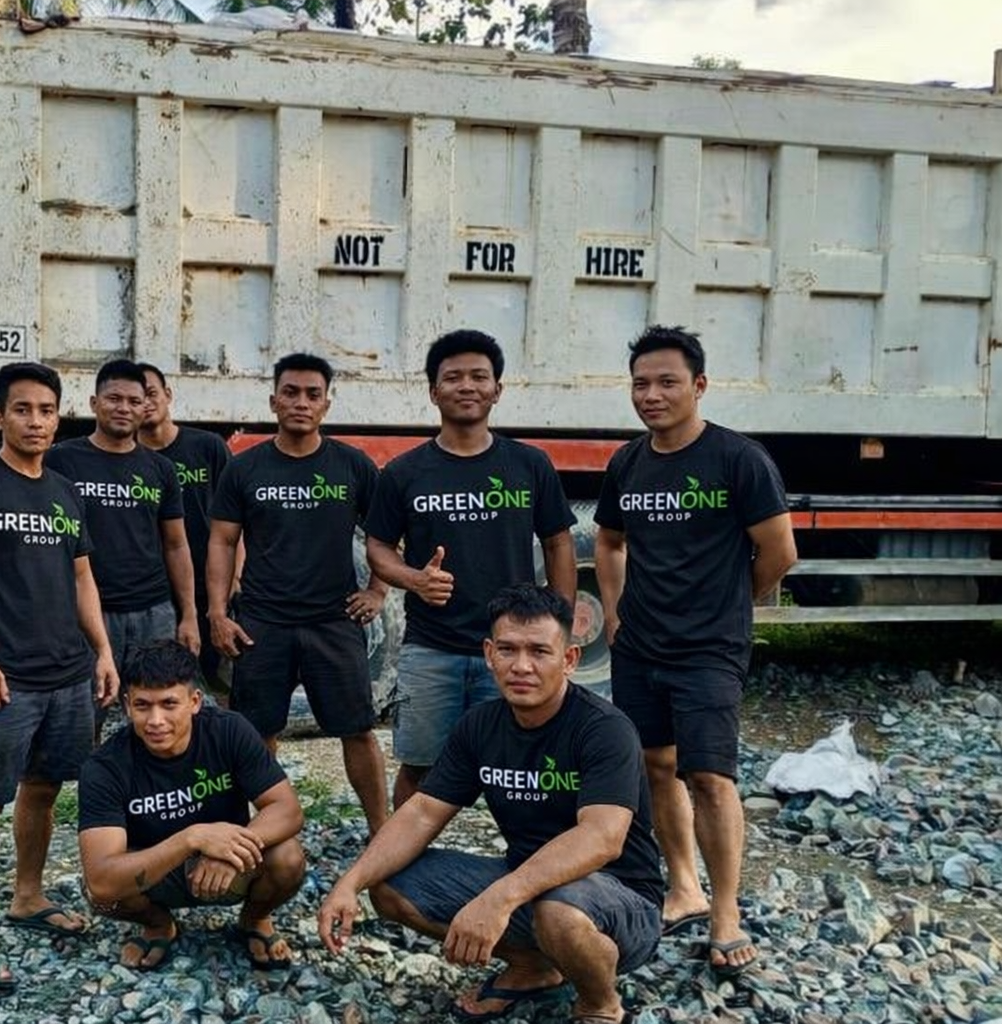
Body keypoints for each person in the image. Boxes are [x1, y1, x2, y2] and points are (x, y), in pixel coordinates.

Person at [318, 585, 663, 1024]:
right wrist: (350, 881)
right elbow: (422, 813)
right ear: (488, 654)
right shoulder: (479, 725)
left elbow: (602, 838)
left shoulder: (604, 729)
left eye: (539, 651)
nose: (521, 666)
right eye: (508, 649)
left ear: (570, 660)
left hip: (620, 901)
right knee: (388, 884)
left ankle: (600, 1005)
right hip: (530, 886)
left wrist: (499, 898)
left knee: (558, 911)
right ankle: (534, 966)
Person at [594, 326, 796, 979]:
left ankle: (726, 912)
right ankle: (683, 885)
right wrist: (615, 611)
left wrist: (731, 604)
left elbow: (780, 551)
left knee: (710, 776)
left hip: (709, 647)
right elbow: (609, 542)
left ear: (699, 386)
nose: (651, 395)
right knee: (655, 764)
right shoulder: (628, 463)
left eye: (667, 382)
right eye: (640, 384)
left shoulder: (739, 460)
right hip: (640, 644)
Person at [0, 361, 120, 990]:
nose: (36, 421)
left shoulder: (64, 490)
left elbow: (82, 578)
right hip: (5, 676)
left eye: (46, 410)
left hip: (68, 674)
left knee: (43, 789)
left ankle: (28, 896)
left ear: (58, 418)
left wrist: (102, 652)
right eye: (22, 410)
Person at [366, 329, 577, 809]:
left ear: (497, 390)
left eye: (479, 377)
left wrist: (558, 621)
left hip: (512, 650)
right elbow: (378, 546)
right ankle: (404, 857)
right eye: (454, 377)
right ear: (433, 391)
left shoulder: (529, 465)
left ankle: (530, 854)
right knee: (420, 770)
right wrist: (413, 579)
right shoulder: (404, 472)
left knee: (523, 768)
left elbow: (558, 541)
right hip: (431, 649)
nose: (467, 386)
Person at [207, 352, 391, 836]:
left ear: (327, 404)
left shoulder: (352, 465)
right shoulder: (244, 469)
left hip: (334, 621)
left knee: (358, 730)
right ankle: (260, 832)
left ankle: (382, 832)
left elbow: (385, 533)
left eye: (313, 394)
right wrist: (217, 613)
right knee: (256, 733)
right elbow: (222, 541)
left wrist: (377, 590)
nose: (301, 403)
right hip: (262, 623)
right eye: (290, 392)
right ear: (273, 401)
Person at [78, 640, 306, 971]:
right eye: (142, 705)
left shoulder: (229, 730)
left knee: (288, 857)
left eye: (169, 704)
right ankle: (158, 925)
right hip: (154, 870)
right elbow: (101, 880)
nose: (155, 720)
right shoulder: (105, 767)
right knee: (102, 895)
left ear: (195, 701)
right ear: (127, 706)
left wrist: (229, 850)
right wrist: (191, 839)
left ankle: (255, 919)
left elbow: (287, 809)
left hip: (228, 866)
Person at [46, 360, 199, 678]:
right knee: (92, 704)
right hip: (86, 611)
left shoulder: (161, 469)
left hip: (154, 611)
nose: (124, 408)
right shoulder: (60, 460)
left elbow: (176, 544)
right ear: (94, 403)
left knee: (155, 701)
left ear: (145, 407)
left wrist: (189, 615)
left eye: (134, 401)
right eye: (114, 399)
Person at [137, 363, 232, 689]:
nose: (145, 403)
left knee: (216, 679)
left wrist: (234, 581)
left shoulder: (208, 447)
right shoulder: (128, 459)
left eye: (151, 393)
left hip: (210, 586)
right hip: (153, 593)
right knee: (159, 681)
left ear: (168, 394)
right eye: (137, 398)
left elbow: (235, 521)